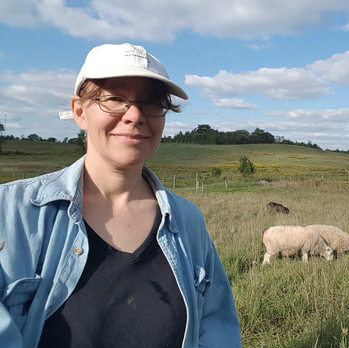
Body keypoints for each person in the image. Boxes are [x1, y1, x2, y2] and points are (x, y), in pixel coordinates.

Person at [0, 43, 242, 347]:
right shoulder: (10, 214)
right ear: (79, 111)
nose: (135, 115)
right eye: (114, 99)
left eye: (152, 102)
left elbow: (216, 326)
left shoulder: (188, 221)